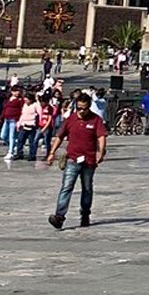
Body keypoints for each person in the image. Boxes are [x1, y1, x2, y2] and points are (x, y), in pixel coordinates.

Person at [46, 91, 109, 229]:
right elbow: (59, 136)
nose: (81, 111)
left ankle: (85, 214)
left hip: (89, 160)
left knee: (87, 188)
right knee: (66, 187)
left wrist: (101, 152)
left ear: (89, 106)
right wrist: (52, 152)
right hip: (72, 159)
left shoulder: (96, 120)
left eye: (84, 108)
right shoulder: (71, 119)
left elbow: (101, 137)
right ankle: (59, 216)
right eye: (79, 108)